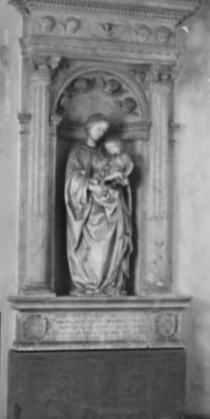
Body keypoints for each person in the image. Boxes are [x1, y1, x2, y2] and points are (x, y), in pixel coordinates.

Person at [64, 114, 133, 296]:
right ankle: (90, 283)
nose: (101, 133)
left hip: (109, 204)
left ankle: (110, 283)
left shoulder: (105, 152)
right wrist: (90, 185)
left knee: (115, 240)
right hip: (88, 207)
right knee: (92, 249)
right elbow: (71, 178)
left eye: (104, 130)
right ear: (88, 128)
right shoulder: (77, 151)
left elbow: (116, 168)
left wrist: (119, 181)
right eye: (98, 129)